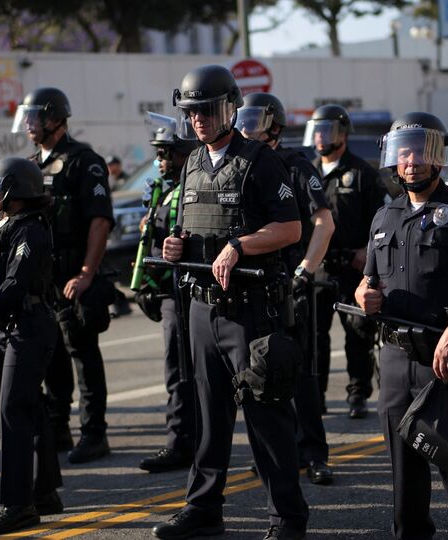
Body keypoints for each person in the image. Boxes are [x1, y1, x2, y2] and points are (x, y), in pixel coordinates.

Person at [153, 65, 309, 540]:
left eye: (207, 109)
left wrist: (241, 245)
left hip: (249, 309)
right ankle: (203, 507)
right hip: (201, 308)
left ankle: (287, 517)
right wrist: (175, 246)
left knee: (266, 416)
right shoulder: (194, 161)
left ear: (229, 107)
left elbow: (291, 228)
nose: (198, 119)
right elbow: (188, 228)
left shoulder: (260, 160)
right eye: (191, 111)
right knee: (207, 416)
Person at [355, 112, 448, 538]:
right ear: (392, 158)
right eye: (404, 151)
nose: (412, 161)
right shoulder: (384, 217)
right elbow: (366, 283)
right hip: (393, 363)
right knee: (404, 480)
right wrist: (363, 296)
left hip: (446, 363)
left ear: (439, 157)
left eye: (422, 150)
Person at [0, 157, 64, 535]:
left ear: (14, 191)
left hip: (30, 327)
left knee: (12, 410)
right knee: (29, 408)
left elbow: (17, 285)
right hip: (10, 327)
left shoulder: (31, 229)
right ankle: (45, 492)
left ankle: (18, 505)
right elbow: (0, 280)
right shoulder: (0, 227)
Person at [237, 93, 336, 485]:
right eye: (242, 119)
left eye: (256, 121)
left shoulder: (295, 166)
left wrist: (305, 271)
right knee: (260, 371)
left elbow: (323, 223)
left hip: (290, 283)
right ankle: (276, 451)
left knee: (303, 373)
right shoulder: (240, 165)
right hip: (251, 285)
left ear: (275, 126)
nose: (246, 128)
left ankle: (314, 453)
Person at [15, 87, 115, 464]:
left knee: (82, 352)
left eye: (34, 117)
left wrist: (87, 272)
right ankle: (58, 428)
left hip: (75, 272)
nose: (28, 124)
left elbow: (99, 220)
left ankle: (94, 433)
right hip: (44, 276)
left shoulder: (83, 162)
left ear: (55, 118)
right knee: (50, 353)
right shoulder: (29, 166)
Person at [304, 104, 388, 419]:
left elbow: (382, 221)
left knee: (357, 334)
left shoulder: (363, 173)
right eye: (318, 130)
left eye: (328, 130)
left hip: (353, 269)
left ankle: (358, 395)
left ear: (342, 134)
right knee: (314, 337)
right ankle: (318, 396)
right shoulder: (307, 171)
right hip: (320, 269)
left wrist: (369, 255)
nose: (322, 136)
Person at [135, 112, 200, 473]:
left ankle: (182, 443)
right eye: (159, 155)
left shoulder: (192, 190)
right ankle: (188, 440)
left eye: (167, 154)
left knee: (180, 369)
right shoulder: (164, 189)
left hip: (186, 291)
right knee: (178, 368)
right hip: (165, 289)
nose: (161, 162)